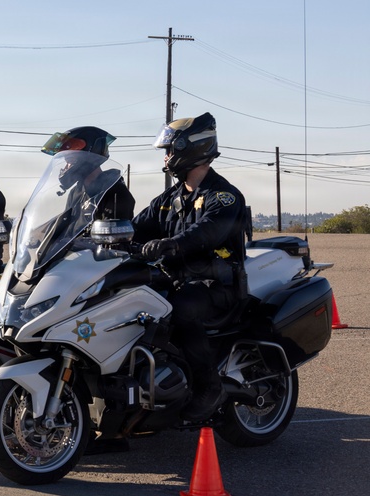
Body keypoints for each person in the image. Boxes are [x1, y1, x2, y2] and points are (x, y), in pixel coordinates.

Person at [131, 112, 249, 422]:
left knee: (178, 309)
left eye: (171, 150)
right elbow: (136, 227)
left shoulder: (223, 196)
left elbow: (208, 231)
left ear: (192, 148)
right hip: (177, 280)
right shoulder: (169, 199)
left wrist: (172, 244)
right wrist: (100, 235)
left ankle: (209, 387)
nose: (168, 157)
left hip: (216, 288)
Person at [41, 126, 136, 220]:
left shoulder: (115, 192)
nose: (66, 166)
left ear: (88, 155)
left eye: (70, 160)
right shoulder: (76, 192)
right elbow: (66, 229)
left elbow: (114, 232)